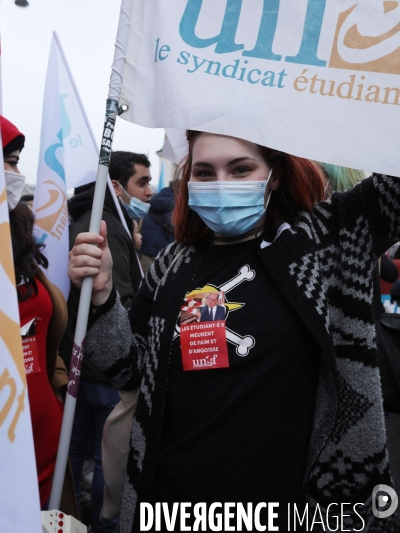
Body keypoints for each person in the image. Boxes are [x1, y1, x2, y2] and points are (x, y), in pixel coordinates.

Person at [68, 131, 400, 532]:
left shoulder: (324, 241)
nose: (222, 184)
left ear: (274, 175)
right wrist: (102, 297)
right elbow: (128, 372)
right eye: (205, 173)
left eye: (241, 169)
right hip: (174, 507)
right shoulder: (174, 263)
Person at [60, 151, 148, 532]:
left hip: (77, 363)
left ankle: (72, 515)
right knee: (105, 456)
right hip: (102, 371)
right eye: (141, 183)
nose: (148, 191)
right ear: (115, 186)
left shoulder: (88, 218)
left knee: (77, 452)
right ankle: (101, 525)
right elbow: (120, 302)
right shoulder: (105, 226)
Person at [2, 115, 77, 515]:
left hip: (47, 439)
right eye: (7, 161)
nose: (14, 174)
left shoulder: (17, 235)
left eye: (15, 161)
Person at [110, 151, 153, 220]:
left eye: (148, 183)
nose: (150, 192)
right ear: (116, 188)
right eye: (142, 183)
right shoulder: (105, 226)